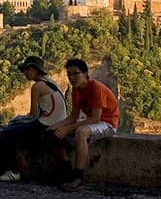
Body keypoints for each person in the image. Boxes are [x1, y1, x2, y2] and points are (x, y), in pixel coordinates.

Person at [48, 58, 119, 192]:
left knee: (81, 132)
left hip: (107, 123)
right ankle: (66, 172)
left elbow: (95, 118)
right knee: (52, 133)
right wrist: (55, 126)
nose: (72, 78)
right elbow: (73, 117)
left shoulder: (96, 88)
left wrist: (67, 128)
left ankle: (79, 178)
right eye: (69, 74)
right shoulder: (76, 90)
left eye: (76, 73)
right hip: (93, 122)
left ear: (85, 74)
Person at [0, 55, 68, 182]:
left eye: (25, 70)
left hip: (46, 125)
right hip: (57, 122)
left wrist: (15, 121)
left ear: (32, 69)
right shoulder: (51, 82)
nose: (24, 74)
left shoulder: (37, 86)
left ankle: (12, 171)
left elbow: (33, 115)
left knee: (5, 134)